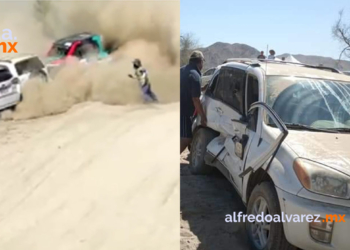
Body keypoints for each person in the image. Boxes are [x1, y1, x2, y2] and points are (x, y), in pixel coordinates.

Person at [180, 51, 207, 154]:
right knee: (186, 138)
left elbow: (185, 87)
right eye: (202, 62)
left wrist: (201, 88)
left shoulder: (183, 70)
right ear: (200, 62)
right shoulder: (195, 75)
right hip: (184, 111)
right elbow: (195, 99)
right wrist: (203, 117)